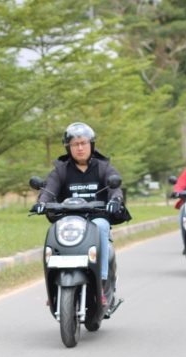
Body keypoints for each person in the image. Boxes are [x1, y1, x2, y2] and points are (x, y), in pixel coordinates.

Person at [31, 122, 126, 305]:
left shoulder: (103, 167)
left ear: (91, 144)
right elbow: (49, 190)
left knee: (102, 226)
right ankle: (54, 288)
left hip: (96, 217)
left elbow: (115, 189)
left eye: (84, 143)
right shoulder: (61, 170)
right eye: (75, 144)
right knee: (53, 235)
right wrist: (42, 203)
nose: (80, 148)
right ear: (68, 147)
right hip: (69, 219)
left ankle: (103, 283)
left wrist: (115, 200)